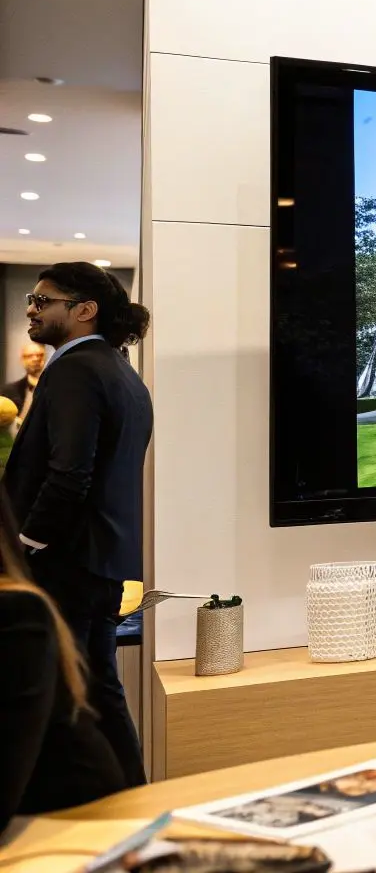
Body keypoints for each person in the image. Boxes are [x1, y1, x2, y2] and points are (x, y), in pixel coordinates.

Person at [7, 262, 154, 787]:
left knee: (70, 694)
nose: (31, 309)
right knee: (96, 689)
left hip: (64, 562)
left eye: (43, 301)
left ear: (84, 310)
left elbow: (70, 474)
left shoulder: (76, 369)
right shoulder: (121, 372)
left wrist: (24, 544)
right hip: (97, 560)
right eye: (31, 299)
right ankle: (129, 800)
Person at [1, 499, 127, 824]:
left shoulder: (16, 615)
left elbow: (70, 480)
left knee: (100, 687)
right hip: (90, 567)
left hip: (70, 826)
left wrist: (32, 540)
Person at [2, 341, 47, 435]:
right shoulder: (8, 391)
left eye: (39, 355)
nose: (35, 359)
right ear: (22, 359)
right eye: (29, 356)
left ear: (45, 358)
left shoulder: (55, 387)